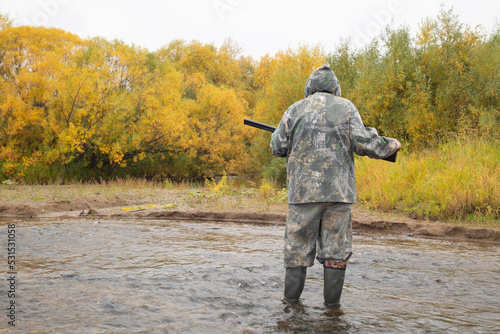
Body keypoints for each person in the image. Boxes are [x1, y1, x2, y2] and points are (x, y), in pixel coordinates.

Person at [270, 64, 401, 307]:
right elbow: (366, 143)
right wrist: (392, 145)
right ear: (335, 87)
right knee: (336, 253)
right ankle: (332, 312)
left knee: (297, 251)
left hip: (303, 195)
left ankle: (290, 309)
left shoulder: (294, 109)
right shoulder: (347, 108)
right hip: (339, 194)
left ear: (309, 87)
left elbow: (277, 147)